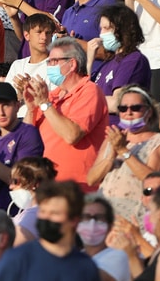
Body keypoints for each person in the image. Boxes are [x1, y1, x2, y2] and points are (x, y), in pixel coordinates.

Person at [0, 180, 102, 281]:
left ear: (74, 220)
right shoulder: (18, 259)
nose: (46, 218)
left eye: (54, 213)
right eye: (43, 212)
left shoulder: (86, 266)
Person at [23, 37, 108, 191]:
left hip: (78, 189)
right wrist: (30, 108)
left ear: (72, 64)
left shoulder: (89, 91)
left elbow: (72, 135)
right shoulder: (51, 96)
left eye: (54, 61)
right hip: (47, 188)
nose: (50, 66)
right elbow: (27, 142)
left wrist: (44, 104)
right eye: (49, 62)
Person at [88, 86, 160, 221]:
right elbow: (92, 179)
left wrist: (123, 151)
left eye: (136, 108)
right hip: (106, 214)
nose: (129, 112)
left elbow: (153, 181)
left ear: (149, 112)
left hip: (134, 216)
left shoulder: (158, 141)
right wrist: (111, 156)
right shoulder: (112, 139)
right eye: (123, 108)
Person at [88, 4, 152, 125]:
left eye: (107, 28)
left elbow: (117, 103)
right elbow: (85, 91)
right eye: (101, 29)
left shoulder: (132, 60)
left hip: (119, 133)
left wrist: (87, 101)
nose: (102, 34)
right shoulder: (108, 62)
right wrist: (89, 61)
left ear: (123, 30)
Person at [80, 196, 130, 281]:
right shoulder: (78, 256)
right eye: (86, 217)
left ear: (110, 226)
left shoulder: (118, 256)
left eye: (99, 218)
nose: (92, 223)